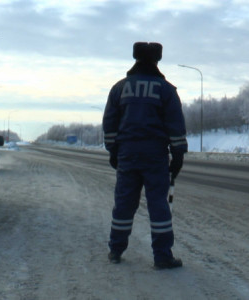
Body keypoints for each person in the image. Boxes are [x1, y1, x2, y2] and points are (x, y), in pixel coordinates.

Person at [103, 42, 188, 269]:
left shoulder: (119, 88)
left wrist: (113, 151)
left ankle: (115, 250)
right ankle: (162, 256)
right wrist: (178, 155)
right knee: (158, 205)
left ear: (135, 58)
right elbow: (175, 125)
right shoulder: (166, 89)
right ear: (157, 60)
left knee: (123, 204)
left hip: (127, 155)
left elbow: (110, 123)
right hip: (155, 156)